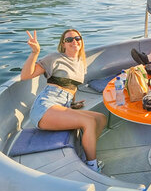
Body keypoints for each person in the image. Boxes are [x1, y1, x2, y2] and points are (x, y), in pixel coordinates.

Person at [21, 29, 107, 172]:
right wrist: (34, 53)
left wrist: (72, 104)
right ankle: (92, 166)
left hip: (61, 105)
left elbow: (70, 88)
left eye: (77, 38)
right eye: (69, 39)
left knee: (101, 118)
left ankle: (86, 154)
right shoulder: (54, 58)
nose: (74, 41)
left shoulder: (80, 62)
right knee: (89, 121)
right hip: (45, 106)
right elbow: (26, 75)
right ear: (63, 44)